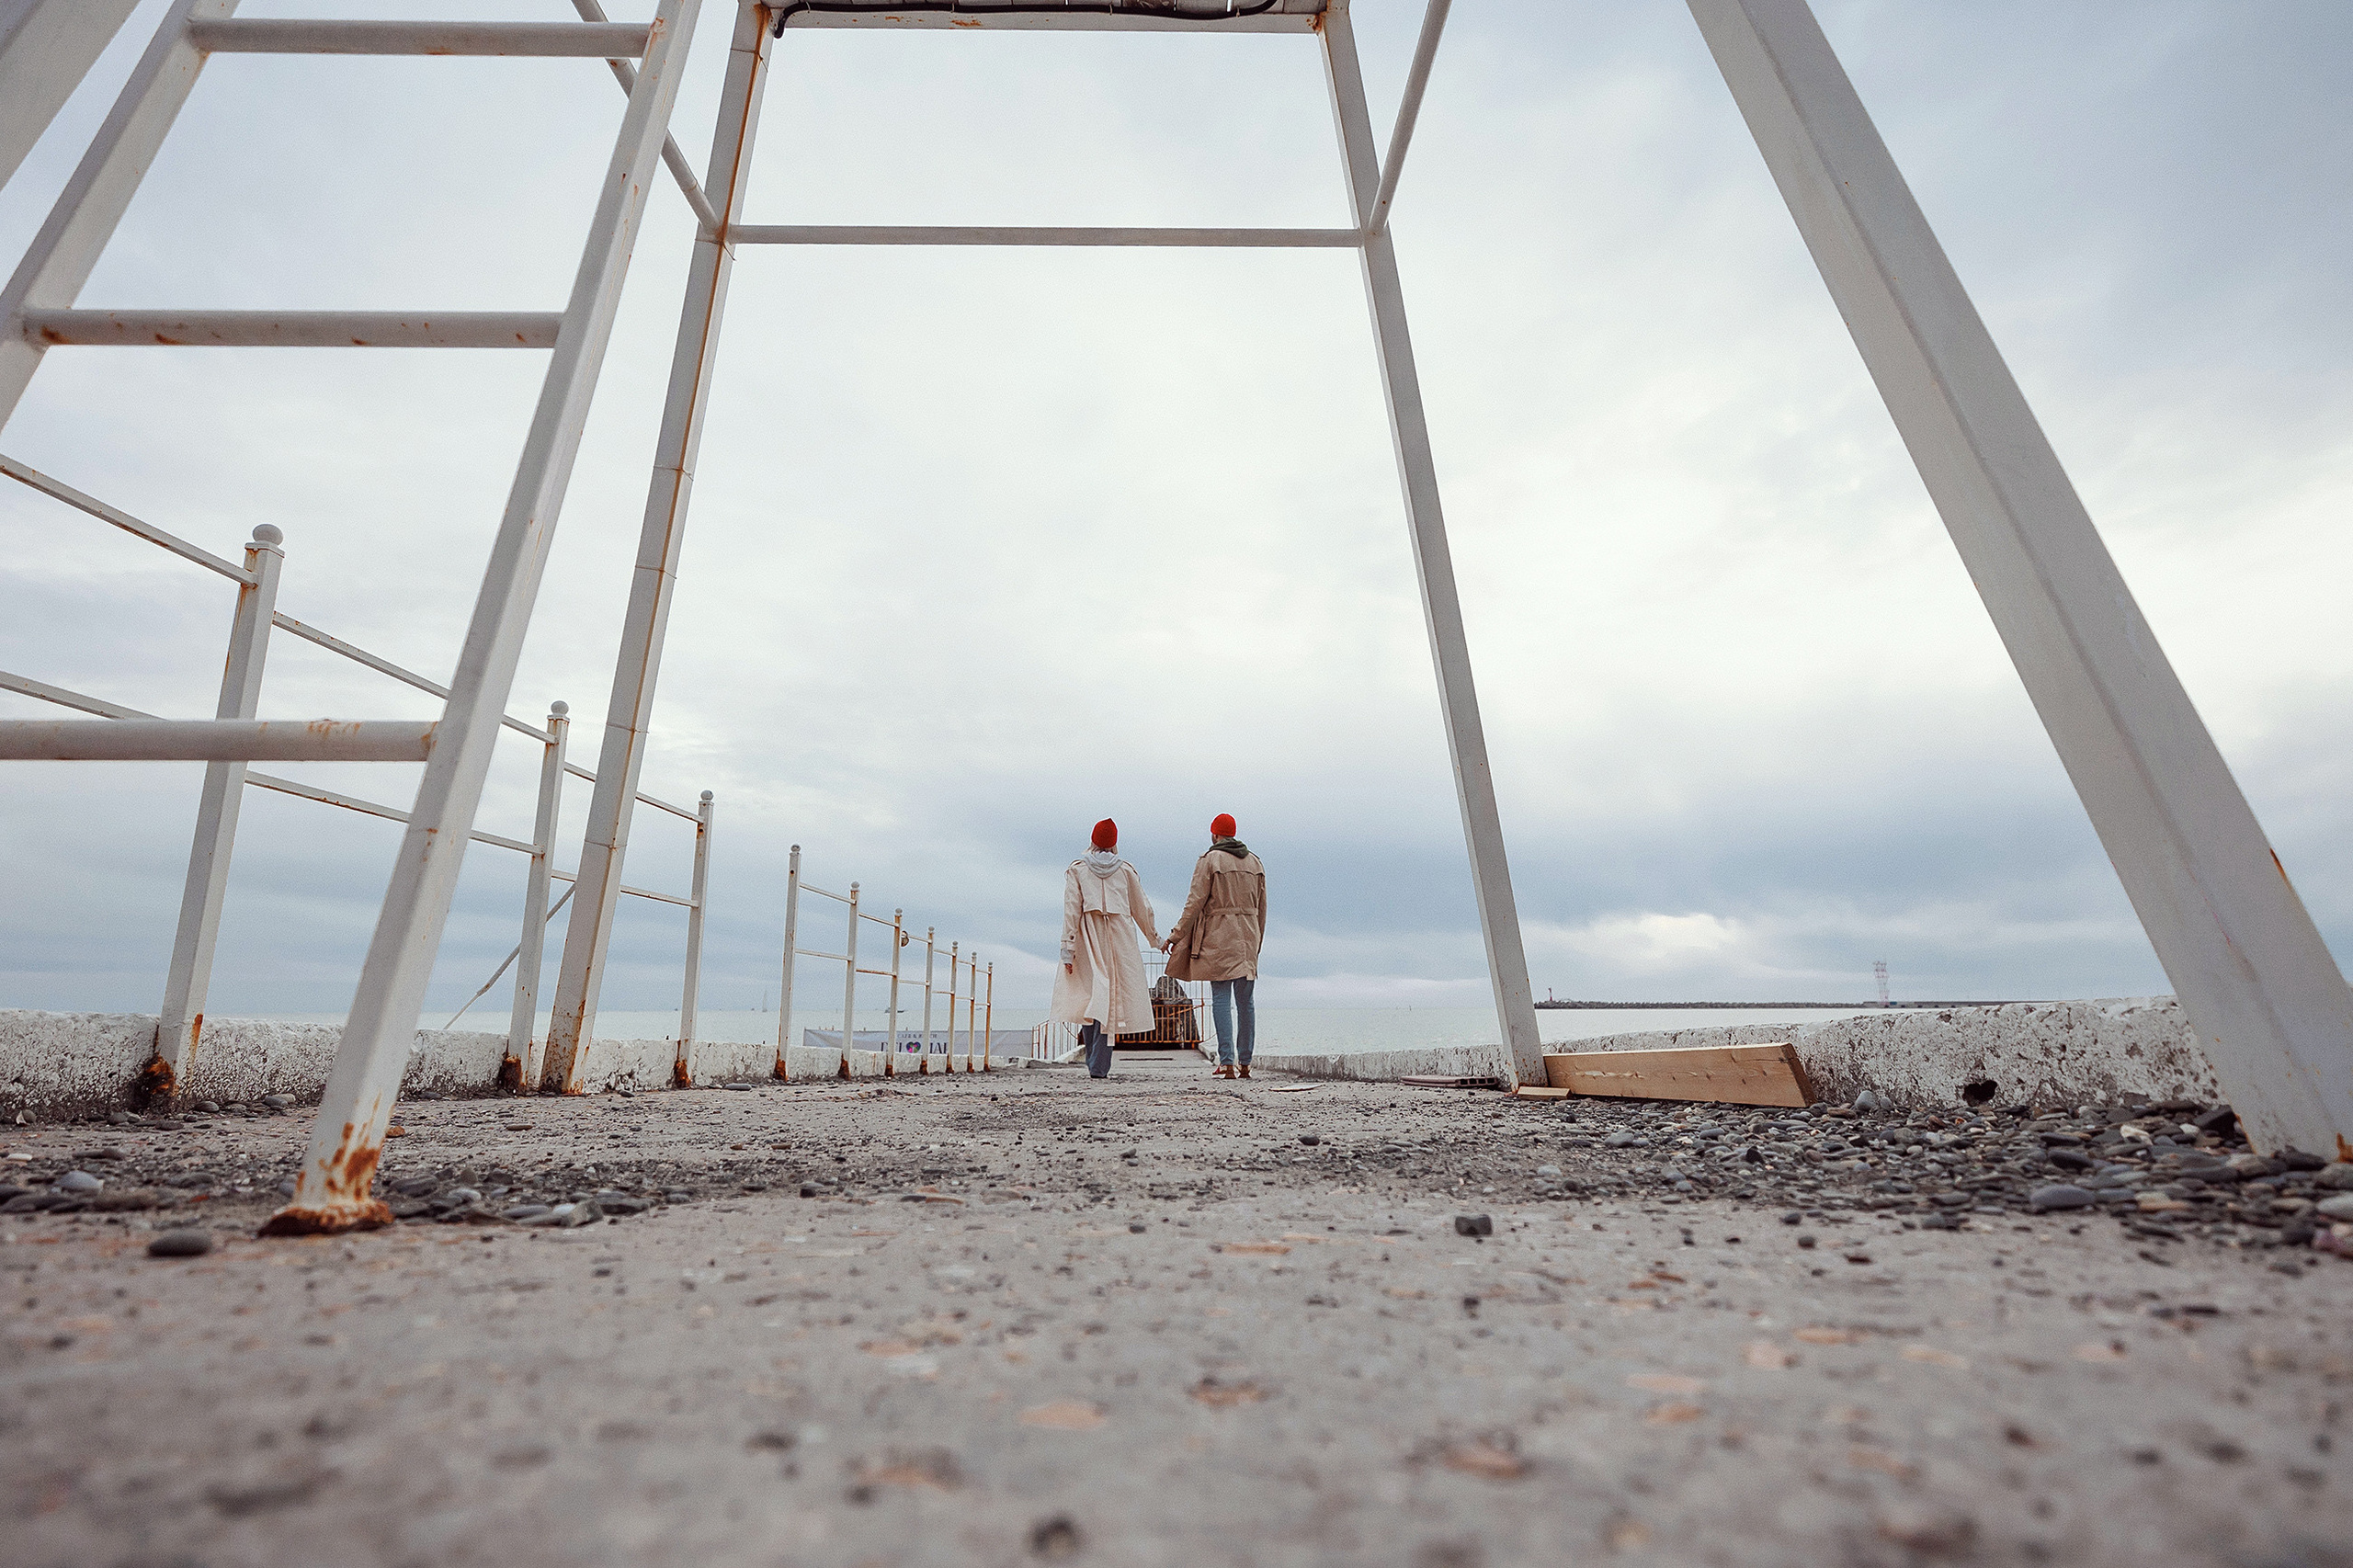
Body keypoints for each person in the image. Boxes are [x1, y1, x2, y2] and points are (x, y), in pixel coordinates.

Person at [1050, 818, 1162, 1079]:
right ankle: (1099, 1064)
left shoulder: (1077, 870)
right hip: (1119, 938)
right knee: (1108, 1000)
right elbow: (1142, 908)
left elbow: (1071, 911)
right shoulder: (1126, 871)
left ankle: (1095, 1062)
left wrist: (1068, 948)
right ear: (1114, 844)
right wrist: (1155, 939)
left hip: (1088, 937)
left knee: (1092, 998)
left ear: (1092, 841)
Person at [1166, 812, 1266, 1079]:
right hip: (1249, 936)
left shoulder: (1210, 860)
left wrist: (1175, 936)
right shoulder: (1255, 862)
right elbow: (1262, 910)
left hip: (1219, 938)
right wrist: (1257, 943)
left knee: (1221, 998)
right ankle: (1246, 1062)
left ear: (1214, 834)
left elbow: (1195, 902)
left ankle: (1227, 1061)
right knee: (1246, 1002)